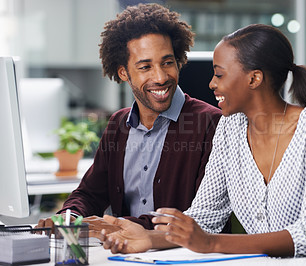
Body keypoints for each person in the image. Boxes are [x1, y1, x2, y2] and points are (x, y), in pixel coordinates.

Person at [99, 24, 306, 257]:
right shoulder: (229, 128)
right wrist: (150, 238)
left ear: (254, 78)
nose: (211, 83)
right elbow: (205, 216)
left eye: (219, 74)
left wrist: (211, 243)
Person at [36, 3, 221, 235]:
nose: (161, 77)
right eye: (145, 67)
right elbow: (91, 192)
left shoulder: (211, 124)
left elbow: (201, 213)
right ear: (123, 72)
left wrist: (116, 225)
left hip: (178, 254)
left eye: (167, 62)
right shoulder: (118, 125)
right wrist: (69, 216)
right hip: (126, 252)